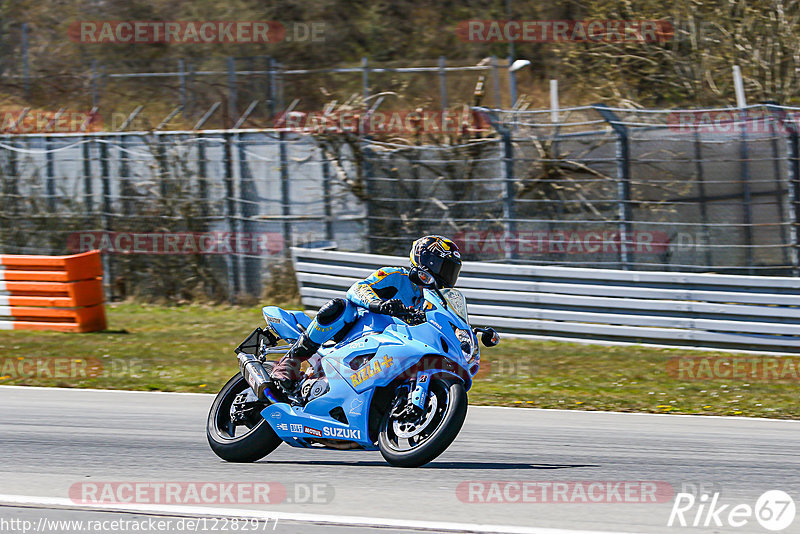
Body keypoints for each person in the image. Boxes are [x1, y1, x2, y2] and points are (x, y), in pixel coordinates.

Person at [269, 235, 463, 395]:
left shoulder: (435, 301)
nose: (445, 275)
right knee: (340, 307)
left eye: (451, 270)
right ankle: (290, 361)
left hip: (393, 349)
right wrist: (378, 304)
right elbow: (357, 289)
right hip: (358, 332)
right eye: (442, 266)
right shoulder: (397, 276)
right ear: (425, 261)